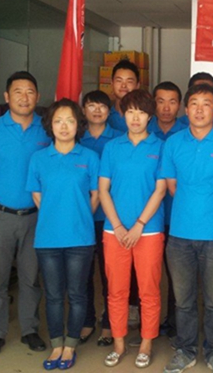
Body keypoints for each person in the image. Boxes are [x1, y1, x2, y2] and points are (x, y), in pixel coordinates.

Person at [0, 71, 49, 357]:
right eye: (18, 91)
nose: (24, 97)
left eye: (30, 92)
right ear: (7, 96)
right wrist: (5, 194)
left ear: (37, 96)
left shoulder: (47, 129)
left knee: (31, 277)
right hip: (0, 216)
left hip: (34, 217)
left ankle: (30, 330)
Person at [161, 84, 213, 373]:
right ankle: (186, 350)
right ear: (186, 108)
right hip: (180, 236)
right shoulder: (174, 143)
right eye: (194, 103)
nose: (200, 109)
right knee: (184, 301)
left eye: (206, 104)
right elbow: (171, 186)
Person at [26, 98, 99, 370]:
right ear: (50, 125)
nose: (64, 126)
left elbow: (95, 196)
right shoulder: (39, 158)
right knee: (54, 295)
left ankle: (70, 346)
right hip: (48, 239)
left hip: (80, 238)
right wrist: (54, 215)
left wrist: (79, 216)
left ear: (79, 124)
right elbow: (37, 195)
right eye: (58, 121)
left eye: (70, 120)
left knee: (77, 294)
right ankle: (56, 345)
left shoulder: (89, 157)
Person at [99, 90, 167, 369]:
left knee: (149, 291)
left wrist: (139, 225)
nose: (135, 118)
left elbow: (160, 190)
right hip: (113, 231)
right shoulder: (112, 147)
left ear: (150, 116)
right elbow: (103, 190)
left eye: (141, 112)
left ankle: (146, 344)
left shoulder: (160, 146)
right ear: (123, 114)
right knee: (116, 291)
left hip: (148, 230)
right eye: (130, 112)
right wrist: (117, 225)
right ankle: (119, 344)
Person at [79, 90, 123, 347]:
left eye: (102, 106)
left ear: (110, 111)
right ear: (83, 110)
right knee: (83, 273)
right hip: (81, 217)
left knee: (110, 274)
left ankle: (109, 323)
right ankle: (87, 320)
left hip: (110, 218)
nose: (97, 111)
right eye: (91, 105)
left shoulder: (119, 140)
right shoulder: (74, 138)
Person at [151, 81, 186, 340]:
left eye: (172, 101)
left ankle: (174, 324)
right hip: (150, 218)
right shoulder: (143, 130)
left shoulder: (187, 133)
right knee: (150, 274)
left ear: (180, 105)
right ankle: (149, 325)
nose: (166, 107)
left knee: (177, 276)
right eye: (161, 101)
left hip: (177, 217)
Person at [107, 60, 156, 132]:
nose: (123, 85)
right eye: (119, 81)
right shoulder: (105, 115)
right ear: (112, 84)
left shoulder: (149, 118)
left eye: (129, 81)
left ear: (137, 85)